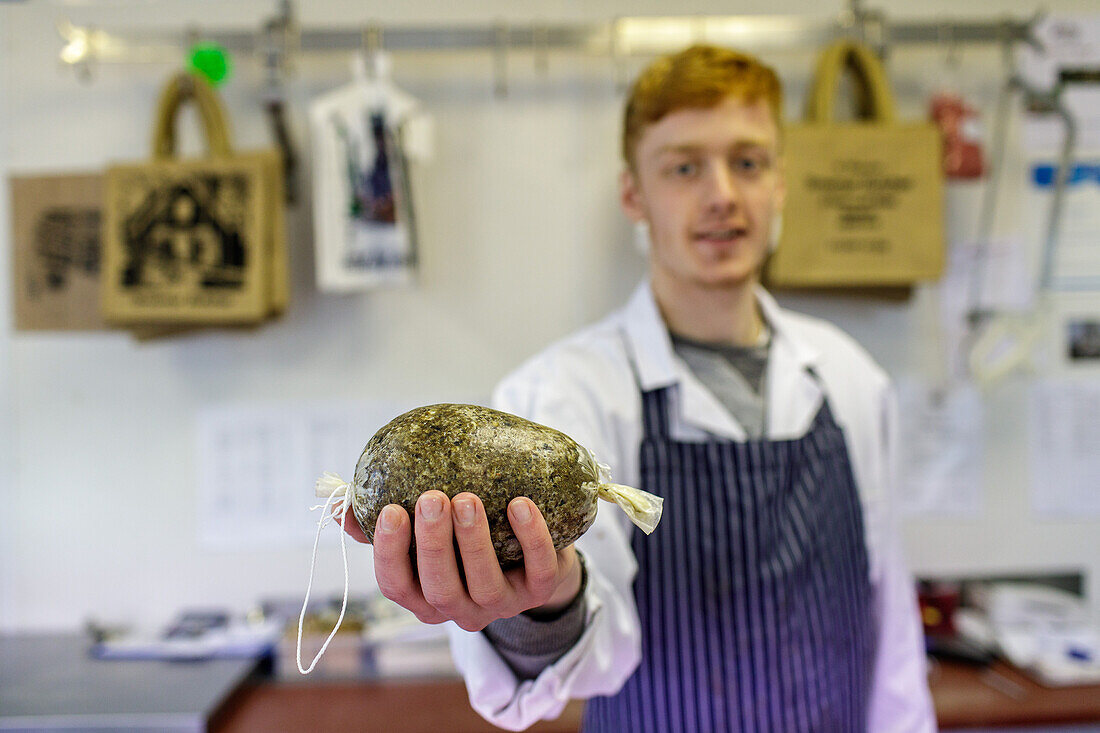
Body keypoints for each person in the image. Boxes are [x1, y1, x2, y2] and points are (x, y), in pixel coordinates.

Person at [344, 44, 935, 732]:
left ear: (779, 183)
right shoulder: (564, 391)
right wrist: (542, 603)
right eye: (684, 167)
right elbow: (589, 652)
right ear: (634, 194)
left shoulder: (850, 378)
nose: (722, 193)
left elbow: (888, 623)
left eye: (748, 162)